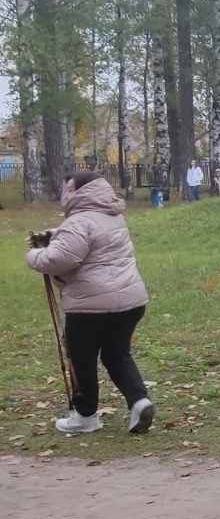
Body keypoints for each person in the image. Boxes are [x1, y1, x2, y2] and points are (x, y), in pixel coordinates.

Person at [26, 171, 155, 436]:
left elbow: (58, 260)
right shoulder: (113, 214)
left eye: (66, 188)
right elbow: (90, 240)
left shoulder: (79, 221)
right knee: (116, 354)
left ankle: (85, 416)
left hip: (90, 306)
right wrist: (56, 234)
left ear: (77, 191)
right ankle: (139, 401)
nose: (63, 194)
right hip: (130, 300)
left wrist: (34, 255)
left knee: (81, 359)